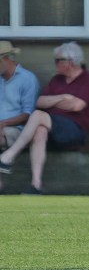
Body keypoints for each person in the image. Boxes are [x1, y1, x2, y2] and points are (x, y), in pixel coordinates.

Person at [0, 42, 89, 196]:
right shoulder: (57, 80)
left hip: (74, 129)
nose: (55, 63)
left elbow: (77, 106)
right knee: (40, 130)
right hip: (52, 127)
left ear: (71, 61)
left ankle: (10, 155)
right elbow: (40, 102)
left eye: (58, 60)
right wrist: (62, 97)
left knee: (38, 115)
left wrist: (52, 101)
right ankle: (36, 185)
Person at [0, 41, 41, 194]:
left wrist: (3, 123)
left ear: (6, 59)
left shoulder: (27, 79)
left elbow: (27, 114)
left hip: (17, 129)